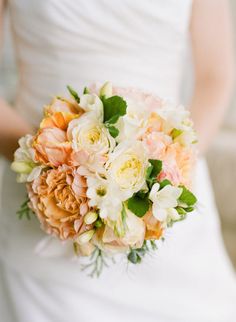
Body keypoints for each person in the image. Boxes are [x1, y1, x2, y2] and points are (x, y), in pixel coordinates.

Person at [0, 0, 235, 321]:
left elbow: (215, 76)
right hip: (43, 204)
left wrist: (171, 170)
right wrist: (54, 166)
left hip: (166, 197)